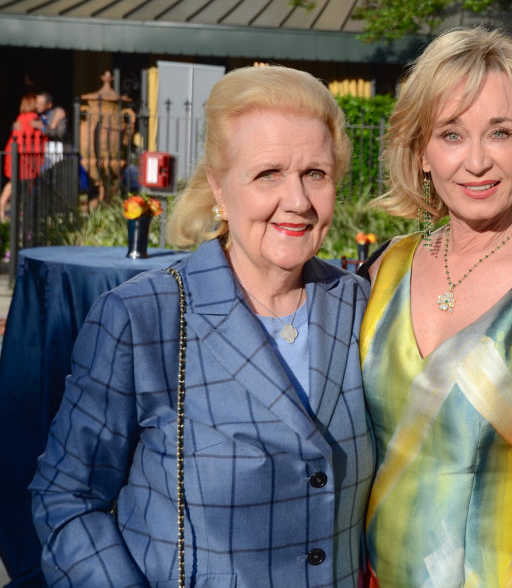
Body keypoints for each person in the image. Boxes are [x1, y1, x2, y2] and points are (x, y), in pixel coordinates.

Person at [30, 66, 374, 587]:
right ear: (219, 185)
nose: (298, 201)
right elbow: (66, 497)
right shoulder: (143, 317)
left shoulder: (358, 305)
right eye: (268, 174)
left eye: (316, 174)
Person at [359, 27, 512, 586]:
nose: (476, 162)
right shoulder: (385, 269)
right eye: (451, 134)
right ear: (421, 151)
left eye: (500, 133)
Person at [1, 92, 46, 221]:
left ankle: (2, 207)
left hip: (13, 152)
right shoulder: (34, 118)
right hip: (26, 155)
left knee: (13, 181)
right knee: (30, 183)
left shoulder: (20, 118)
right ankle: (25, 210)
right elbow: (43, 135)